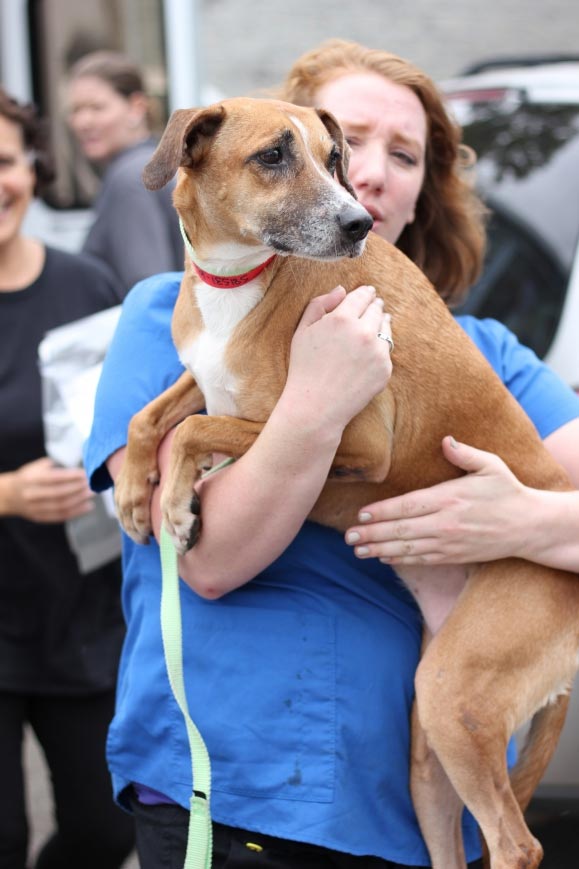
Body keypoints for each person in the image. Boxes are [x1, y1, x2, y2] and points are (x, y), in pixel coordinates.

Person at [84, 39, 579, 869]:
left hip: (400, 806)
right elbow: (206, 562)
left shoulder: (485, 349)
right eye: (342, 144)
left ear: (431, 186)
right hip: (236, 793)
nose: (359, 181)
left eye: (403, 154)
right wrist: (310, 403)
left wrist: (525, 518)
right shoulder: (160, 315)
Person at [0, 88, 135, 869]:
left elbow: (136, 422)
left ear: (33, 170)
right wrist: (8, 494)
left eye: (4, 161)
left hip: (82, 615)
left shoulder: (87, 287)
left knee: (104, 828)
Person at [66, 50, 183, 295]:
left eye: (97, 108)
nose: (83, 122)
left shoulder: (130, 178)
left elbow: (148, 289)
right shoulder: (154, 164)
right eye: (76, 110)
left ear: (136, 108)